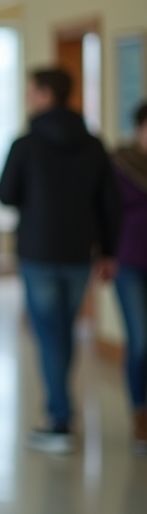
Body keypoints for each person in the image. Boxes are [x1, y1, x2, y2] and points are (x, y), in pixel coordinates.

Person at [0, 67, 121, 454]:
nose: (28, 97)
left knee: (49, 334)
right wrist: (110, 251)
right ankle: (62, 412)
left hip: (38, 251)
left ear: (45, 95)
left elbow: (6, 193)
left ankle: (59, 419)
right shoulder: (94, 143)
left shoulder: (26, 143)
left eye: (31, 91)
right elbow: (110, 204)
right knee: (63, 331)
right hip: (79, 252)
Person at [111, 101, 147, 455]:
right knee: (140, 340)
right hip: (130, 263)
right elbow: (106, 210)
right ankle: (140, 413)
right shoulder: (121, 164)